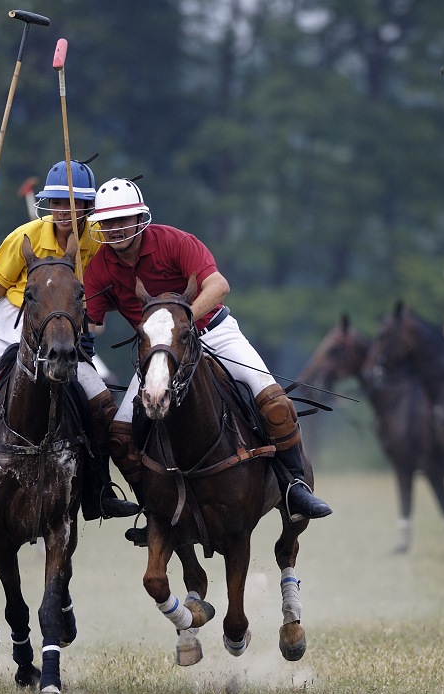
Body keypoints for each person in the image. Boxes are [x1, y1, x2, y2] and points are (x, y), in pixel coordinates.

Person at [82, 178, 332, 545]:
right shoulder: (101, 266)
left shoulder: (174, 241)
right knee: (120, 438)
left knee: (274, 402)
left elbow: (218, 285)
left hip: (212, 330)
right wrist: (68, 312)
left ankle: (294, 487)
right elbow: (93, 323)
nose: (116, 228)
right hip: (158, 353)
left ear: (139, 219)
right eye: (109, 222)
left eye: (124, 219)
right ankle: (154, 508)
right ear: (100, 227)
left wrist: (184, 324)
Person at [0, 160, 139, 526]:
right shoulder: (25, 235)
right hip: (11, 319)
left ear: (87, 206)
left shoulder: (98, 239)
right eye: (58, 203)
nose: (64, 211)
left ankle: (100, 489)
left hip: (61, 328)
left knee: (103, 408)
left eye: (73, 203)